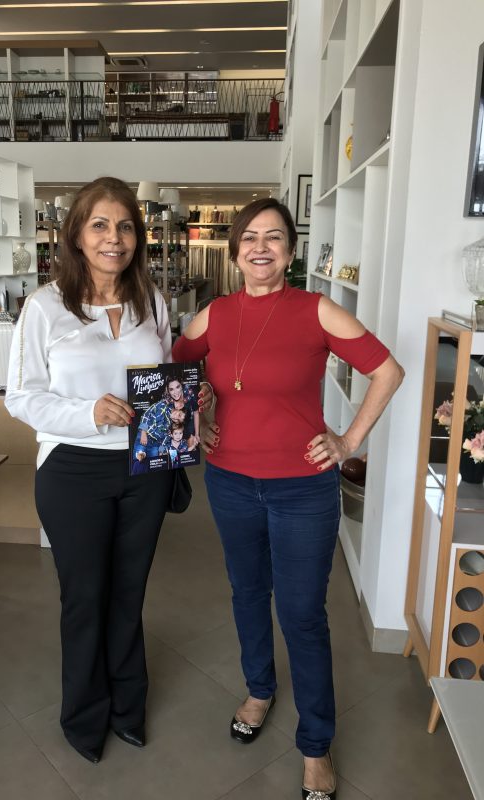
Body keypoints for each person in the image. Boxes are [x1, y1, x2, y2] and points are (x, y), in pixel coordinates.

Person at [172, 197, 404, 799]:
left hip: (302, 488)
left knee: (302, 614)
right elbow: (176, 373)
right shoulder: (213, 315)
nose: (260, 247)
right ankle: (259, 689)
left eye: (274, 237)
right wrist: (200, 420)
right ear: (235, 252)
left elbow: (388, 371)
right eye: (249, 237)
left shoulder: (316, 310)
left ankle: (316, 745)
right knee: (248, 593)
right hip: (229, 482)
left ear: (291, 251)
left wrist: (349, 440)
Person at [5, 176, 175, 765]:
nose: (114, 238)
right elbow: (20, 397)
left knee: (129, 592)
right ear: (76, 235)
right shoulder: (45, 307)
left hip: (145, 466)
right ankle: (84, 715)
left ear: (138, 237)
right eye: (100, 225)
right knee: (84, 596)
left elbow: (163, 379)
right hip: (73, 468)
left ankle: (128, 707)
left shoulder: (152, 302)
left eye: (125, 226)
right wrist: (89, 413)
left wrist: (188, 403)